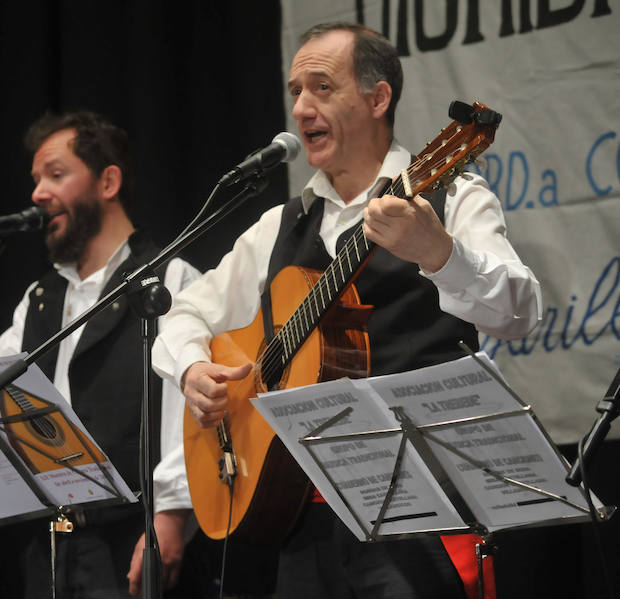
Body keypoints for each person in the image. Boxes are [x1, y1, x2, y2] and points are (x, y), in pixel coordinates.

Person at [152, 22, 542, 599]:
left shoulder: (450, 194)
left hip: (421, 511)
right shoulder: (279, 226)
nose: (302, 107)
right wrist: (191, 369)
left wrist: (440, 254)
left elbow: (519, 310)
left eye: (322, 88)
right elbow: (183, 310)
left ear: (378, 98)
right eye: (294, 91)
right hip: (296, 516)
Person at [0, 111, 202, 598]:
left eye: (55, 174)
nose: (37, 194)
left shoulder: (171, 281)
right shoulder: (38, 299)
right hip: (51, 545)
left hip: (133, 539)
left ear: (108, 181)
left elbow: (189, 419)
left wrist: (171, 518)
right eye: (35, 180)